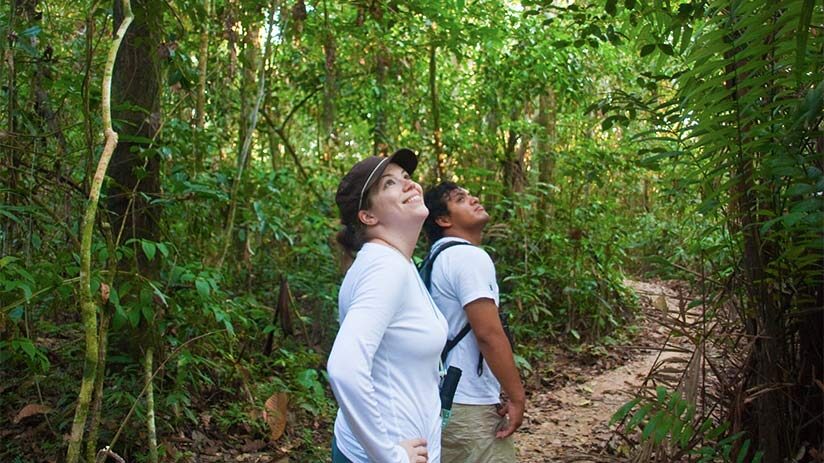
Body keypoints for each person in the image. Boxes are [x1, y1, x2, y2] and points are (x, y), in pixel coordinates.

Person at [327, 149, 449, 463]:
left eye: (406, 177)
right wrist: (391, 455)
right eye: (389, 184)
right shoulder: (384, 267)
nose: (409, 184)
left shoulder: (397, 263)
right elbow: (344, 368)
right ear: (368, 216)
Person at [422, 182, 526, 463]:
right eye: (460, 198)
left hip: (441, 397)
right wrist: (517, 397)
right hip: (470, 402)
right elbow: (488, 333)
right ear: (443, 220)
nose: (474, 199)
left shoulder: (434, 260)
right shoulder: (468, 257)